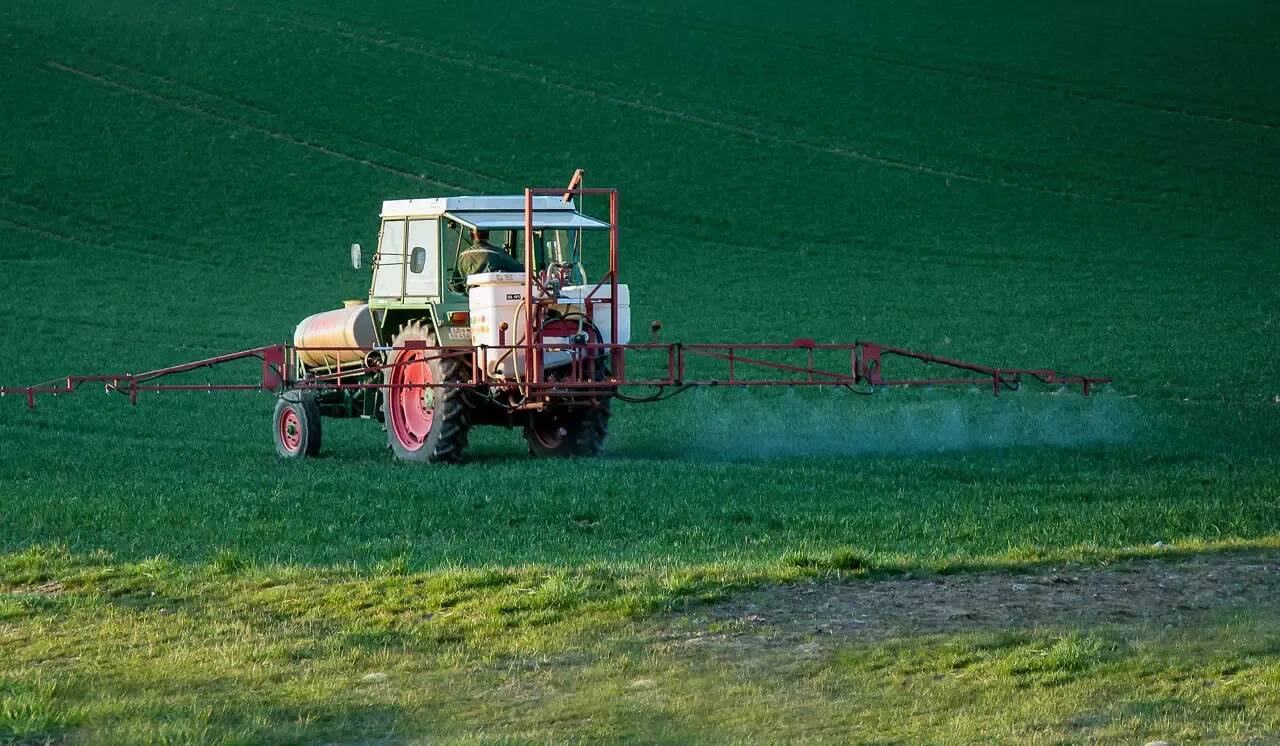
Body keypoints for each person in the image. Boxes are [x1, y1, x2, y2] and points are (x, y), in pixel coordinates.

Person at [450, 229, 523, 292]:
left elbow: (456, 285)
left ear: (471, 234)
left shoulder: (463, 256)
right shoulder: (498, 254)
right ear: (488, 235)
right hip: (497, 299)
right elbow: (520, 270)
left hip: (470, 301)